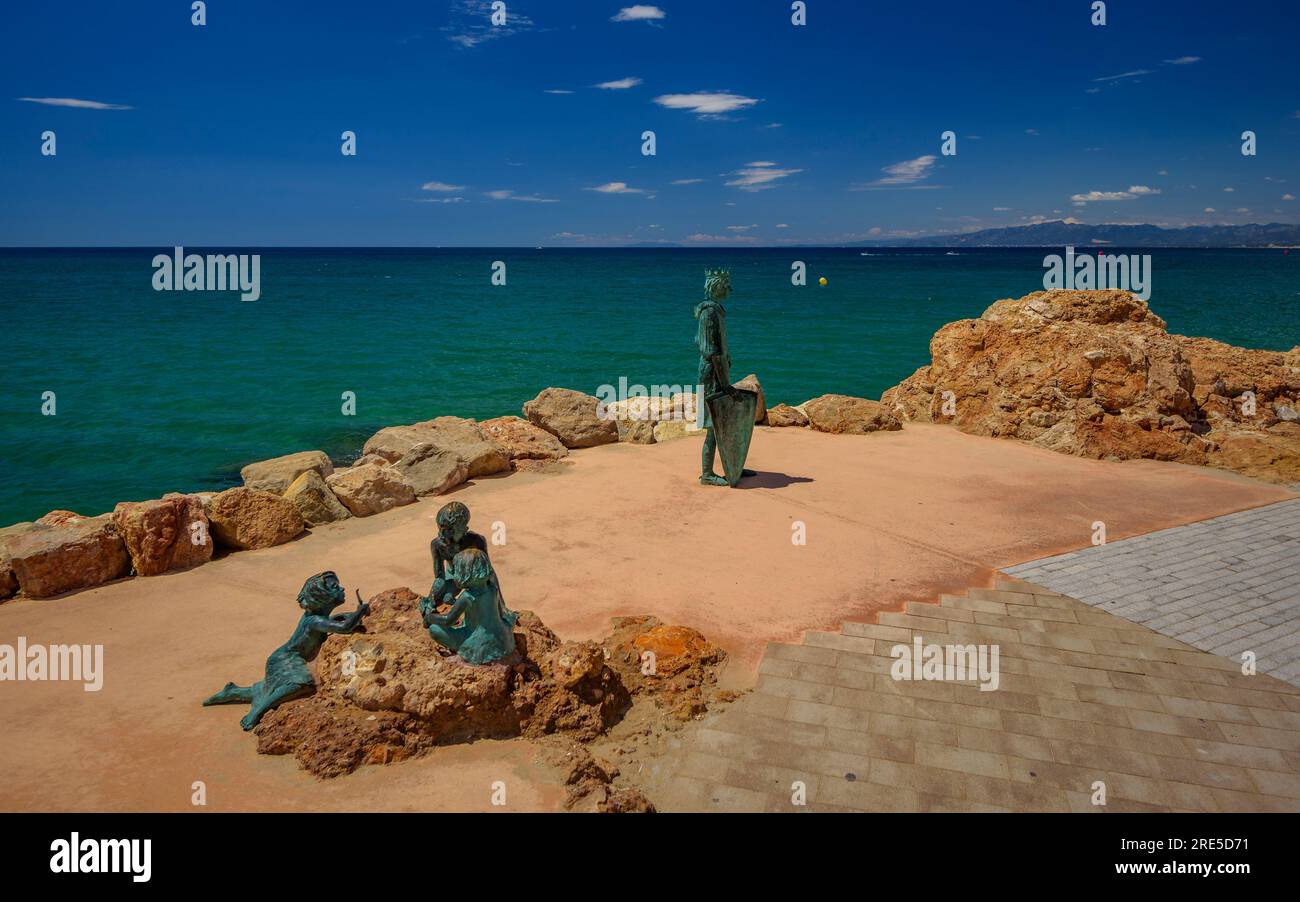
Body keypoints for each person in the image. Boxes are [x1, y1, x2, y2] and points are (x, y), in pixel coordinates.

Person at [424, 548, 516, 665]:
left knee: (434, 629)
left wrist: (429, 618)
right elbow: (500, 613)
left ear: (464, 573)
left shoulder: (467, 597)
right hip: (503, 639)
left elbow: (448, 621)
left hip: (477, 644)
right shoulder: (493, 589)